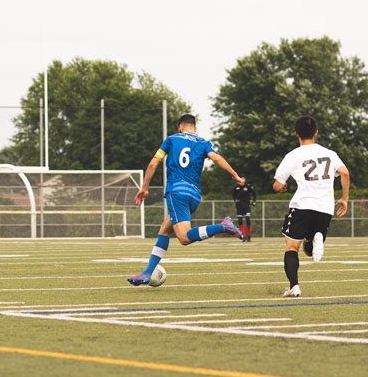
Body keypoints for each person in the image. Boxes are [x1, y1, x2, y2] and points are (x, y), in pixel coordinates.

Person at [128, 114, 245, 286]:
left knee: (183, 238)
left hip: (177, 192)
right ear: (195, 128)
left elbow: (154, 163)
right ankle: (147, 272)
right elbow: (216, 158)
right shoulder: (203, 142)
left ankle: (223, 226)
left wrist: (144, 188)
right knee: (164, 229)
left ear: (180, 127)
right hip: (195, 196)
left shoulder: (171, 140)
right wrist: (235, 175)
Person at [273, 114, 350, 298]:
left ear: (296, 133)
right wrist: (344, 198)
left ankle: (294, 286)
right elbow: (344, 173)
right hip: (325, 207)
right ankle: (318, 236)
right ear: (316, 132)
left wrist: (281, 187)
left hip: (302, 205)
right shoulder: (330, 154)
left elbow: (277, 184)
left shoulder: (293, 155)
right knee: (311, 244)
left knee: (292, 248)